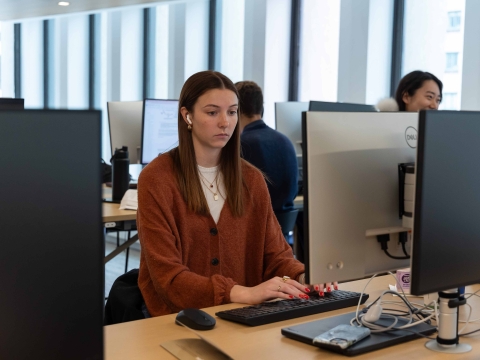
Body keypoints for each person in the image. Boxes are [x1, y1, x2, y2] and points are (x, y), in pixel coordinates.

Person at [137, 71, 335, 317]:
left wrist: (305, 276)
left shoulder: (250, 179)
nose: (225, 122)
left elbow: (277, 257)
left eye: (232, 112)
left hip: (243, 317)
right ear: (187, 115)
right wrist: (241, 293)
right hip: (177, 318)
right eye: (212, 112)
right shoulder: (157, 179)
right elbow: (168, 278)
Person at [235, 80, 298, 213]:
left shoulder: (241, 145)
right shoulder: (286, 141)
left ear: (236, 110)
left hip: (255, 229)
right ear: (261, 109)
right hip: (282, 231)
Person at [376, 70, 443, 112]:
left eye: (438, 100)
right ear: (406, 97)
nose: (434, 106)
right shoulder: (385, 126)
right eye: (430, 97)